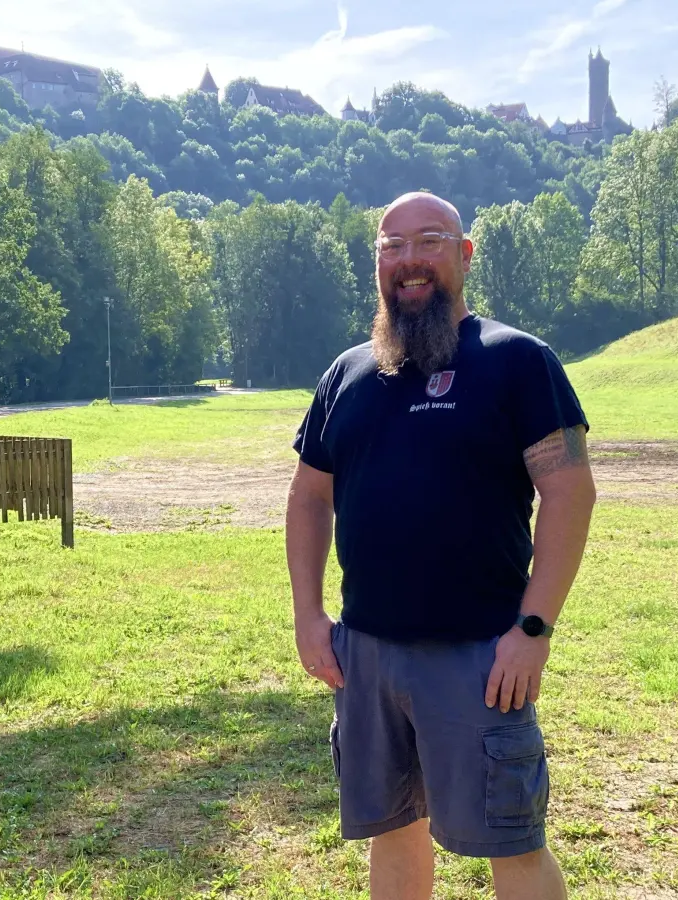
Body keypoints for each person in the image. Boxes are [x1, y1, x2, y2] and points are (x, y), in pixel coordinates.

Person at [286, 192, 597, 900]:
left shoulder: (519, 361)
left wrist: (533, 629)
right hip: (365, 657)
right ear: (377, 263)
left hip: (481, 658)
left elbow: (571, 494)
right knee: (393, 833)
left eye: (429, 241)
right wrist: (309, 615)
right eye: (391, 246)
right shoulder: (347, 374)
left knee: (513, 843)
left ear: (464, 254)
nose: (410, 260)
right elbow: (307, 498)